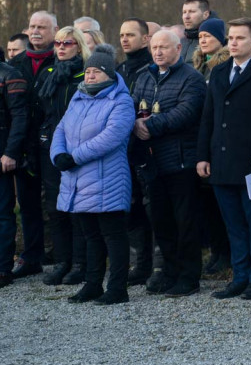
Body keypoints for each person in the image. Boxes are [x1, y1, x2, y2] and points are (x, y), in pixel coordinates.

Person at [197, 18, 251, 300]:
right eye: (231, 38)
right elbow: (208, 118)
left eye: (240, 38)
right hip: (221, 161)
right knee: (233, 223)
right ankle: (241, 275)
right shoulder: (220, 72)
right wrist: (203, 156)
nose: (233, 43)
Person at [51, 44, 135, 304]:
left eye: (96, 72)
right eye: (88, 72)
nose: (89, 76)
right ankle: (93, 284)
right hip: (78, 180)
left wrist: (74, 157)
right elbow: (60, 130)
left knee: (113, 236)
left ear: (109, 73)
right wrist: (58, 155)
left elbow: (111, 137)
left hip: (107, 179)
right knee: (90, 237)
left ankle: (118, 289)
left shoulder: (121, 101)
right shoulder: (78, 98)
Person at [131, 31, 207, 297]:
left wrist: (149, 126)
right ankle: (169, 272)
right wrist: (135, 124)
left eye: (164, 46)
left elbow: (185, 113)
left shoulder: (192, 78)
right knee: (161, 221)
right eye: (154, 47)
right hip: (152, 163)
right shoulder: (144, 76)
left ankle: (189, 277)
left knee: (185, 222)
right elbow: (131, 106)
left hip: (181, 161)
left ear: (178, 48)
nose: (158, 51)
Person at [37, 27, 90, 286]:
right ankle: (62, 261)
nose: (61, 47)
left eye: (67, 43)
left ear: (78, 46)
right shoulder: (48, 74)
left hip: (78, 148)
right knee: (55, 208)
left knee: (77, 208)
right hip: (50, 147)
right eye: (57, 43)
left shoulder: (87, 74)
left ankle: (81, 263)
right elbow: (39, 112)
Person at [8, 11, 58, 279]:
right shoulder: (16, 63)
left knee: (55, 201)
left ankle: (65, 256)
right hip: (24, 143)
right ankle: (31, 256)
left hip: (53, 143)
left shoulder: (62, 58)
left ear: (55, 30)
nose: (36, 31)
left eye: (42, 27)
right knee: (27, 204)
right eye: (32, 26)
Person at [117, 17, 156, 286]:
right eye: (121, 35)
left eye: (130, 34)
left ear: (145, 39)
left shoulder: (153, 69)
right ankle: (138, 265)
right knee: (131, 209)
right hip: (123, 150)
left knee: (152, 208)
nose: (124, 39)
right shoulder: (118, 70)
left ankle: (158, 266)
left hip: (150, 148)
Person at [190, 16, 231, 274]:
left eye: (209, 36)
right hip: (200, 138)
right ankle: (216, 250)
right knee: (206, 202)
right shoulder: (197, 66)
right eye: (201, 36)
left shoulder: (224, 65)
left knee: (221, 203)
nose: (203, 39)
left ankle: (226, 251)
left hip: (220, 140)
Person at [0, 55, 28, 288]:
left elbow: (20, 117)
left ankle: (2, 269)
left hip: (1, 156)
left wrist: (10, 152)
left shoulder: (9, 75)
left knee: (2, 213)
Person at [180, 0, 212, 68]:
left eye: (192, 12)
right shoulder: (180, 42)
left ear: (205, 15)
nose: (186, 16)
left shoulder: (213, 42)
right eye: (184, 12)